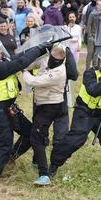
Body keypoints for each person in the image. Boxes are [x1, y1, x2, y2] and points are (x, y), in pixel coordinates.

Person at [0, 37, 55, 181]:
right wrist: (39, 49)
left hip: (9, 108)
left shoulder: (1, 63)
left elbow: (20, 56)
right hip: (0, 111)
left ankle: (10, 158)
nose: (2, 51)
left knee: (29, 133)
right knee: (4, 143)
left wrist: (39, 47)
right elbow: (21, 62)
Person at [49, 47, 101, 178]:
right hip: (84, 112)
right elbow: (93, 90)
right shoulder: (90, 73)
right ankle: (53, 165)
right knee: (76, 140)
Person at [22, 44, 67, 186]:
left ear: (63, 58)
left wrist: (23, 70)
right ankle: (37, 162)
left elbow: (34, 81)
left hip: (51, 107)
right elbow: (36, 63)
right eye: (52, 57)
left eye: (57, 58)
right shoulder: (48, 59)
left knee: (36, 137)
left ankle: (44, 174)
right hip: (42, 104)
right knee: (40, 134)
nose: (52, 60)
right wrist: (25, 63)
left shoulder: (59, 71)